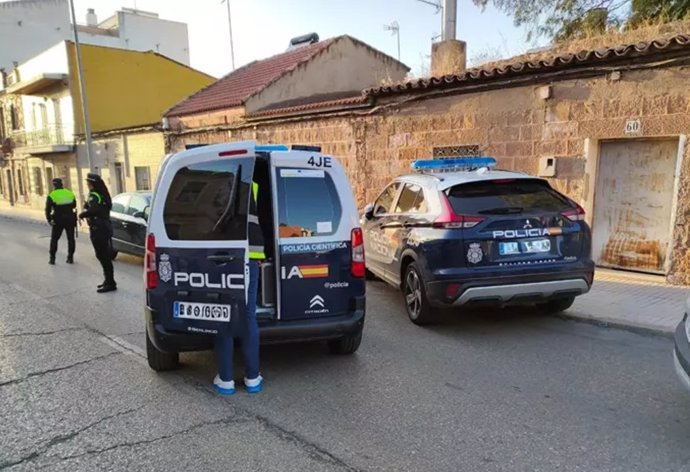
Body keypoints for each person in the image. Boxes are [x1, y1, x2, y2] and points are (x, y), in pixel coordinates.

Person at [213, 179, 265, 395]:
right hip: (251, 256)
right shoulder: (252, 185)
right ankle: (253, 378)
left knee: (224, 314)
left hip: (222, 256)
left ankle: (226, 380)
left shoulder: (215, 183)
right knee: (248, 315)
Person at [78, 173, 117, 293]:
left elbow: (94, 210)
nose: (87, 185)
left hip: (98, 228)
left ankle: (110, 283)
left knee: (102, 256)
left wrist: (82, 214)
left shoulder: (95, 195)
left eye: (88, 183)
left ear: (92, 184)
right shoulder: (101, 194)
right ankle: (109, 280)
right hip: (103, 227)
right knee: (103, 255)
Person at [45, 178, 77, 265]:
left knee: (54, 239)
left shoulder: (52, 195)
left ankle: (52, 259)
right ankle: (70, 258)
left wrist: (49, 219)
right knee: (71, 239)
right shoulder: (69, 193)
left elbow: (47, 209)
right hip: (70, 218)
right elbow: (74, 205)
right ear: (62, 184)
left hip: (58, 219)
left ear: (54, 185)